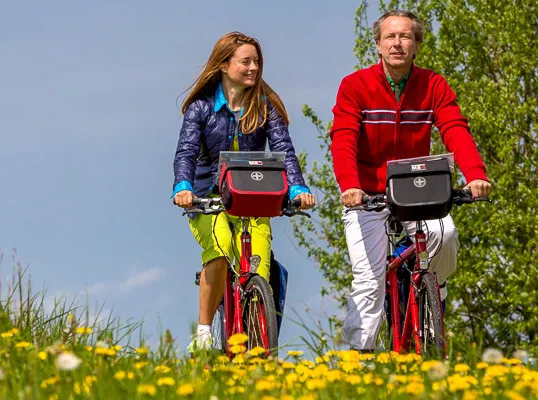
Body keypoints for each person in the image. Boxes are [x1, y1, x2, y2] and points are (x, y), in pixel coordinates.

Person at [329, 10, 492, 352]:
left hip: (415, 191)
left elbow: (455, 131)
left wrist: (475, 176)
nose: (397, 43)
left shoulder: (434, 85)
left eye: (405, 37)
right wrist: (350, 186)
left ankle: (435, 285)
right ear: (377, 45)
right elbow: (343, 138)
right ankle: (360, 360)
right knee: (369, 283)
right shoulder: (355, 86)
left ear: (417, 45)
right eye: (390, 37)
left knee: (445, 234)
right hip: (368, 195)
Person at [171, 31, 316, 352]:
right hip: (207, 198)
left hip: (254, 197)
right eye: (245, 62)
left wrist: (297, 187)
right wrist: (183, 187)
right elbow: (186, 153)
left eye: (257, 61)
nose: (253, 68)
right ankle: (205, 332)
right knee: (221, 250)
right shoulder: (201, 109)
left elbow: (284, 150)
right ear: (224, 65)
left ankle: (257, 340)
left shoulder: (266, 108)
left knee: (259, 267)